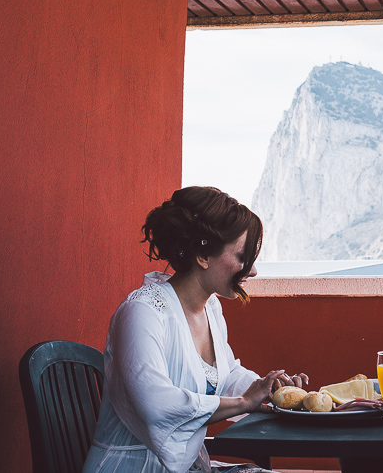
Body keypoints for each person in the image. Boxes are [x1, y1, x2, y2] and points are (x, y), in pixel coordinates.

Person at [83, 187, 307, 473]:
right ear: (203, 256)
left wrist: (267, 389)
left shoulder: (210, 309)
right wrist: (243, 402)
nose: (252, 271)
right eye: (242, 257)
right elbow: (156, 405)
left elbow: (224, 377)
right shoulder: (143, 311)